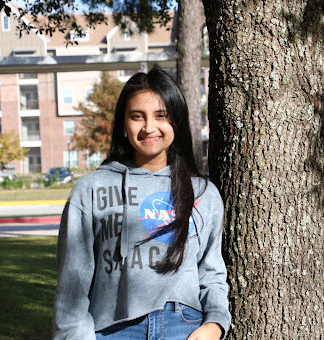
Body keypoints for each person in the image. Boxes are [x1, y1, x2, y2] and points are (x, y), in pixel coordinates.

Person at [53, 67, 230, 340]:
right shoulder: (90, 189)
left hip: (184, 327)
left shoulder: (202, 192)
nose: (149, 127)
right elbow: (72, 282)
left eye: (161, 116)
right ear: (124, 124)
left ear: (177, 121)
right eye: (137, 116)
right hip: (112, 330)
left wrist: (215, 324)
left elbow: (212, 272)